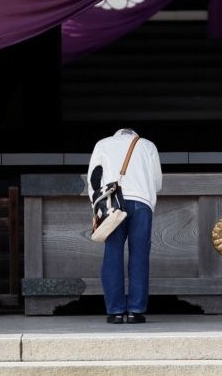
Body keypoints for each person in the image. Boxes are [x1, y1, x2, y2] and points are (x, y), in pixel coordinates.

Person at [86, 127, 162, 324]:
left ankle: (116, 311)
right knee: (139, 256)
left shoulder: (102, 144)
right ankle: (135, 311)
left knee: (112, 254)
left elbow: (94, 178)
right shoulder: (148, 145)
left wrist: (98, 207)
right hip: (142, 203)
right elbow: (158, 181)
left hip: (113, 205)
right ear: (135, 136)